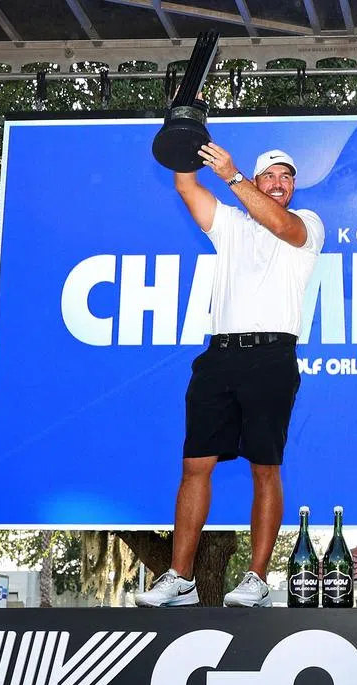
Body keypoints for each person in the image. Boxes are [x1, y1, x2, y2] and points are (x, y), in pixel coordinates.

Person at [135, 143, 324, 608]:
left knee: (265, 467)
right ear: (260, 182)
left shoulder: (309, 224)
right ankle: (180, 576)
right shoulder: (230, 223)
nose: (280, 183)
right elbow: (184, 183)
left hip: (272, 356)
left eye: (287, 177)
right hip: (219, 356)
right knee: (195, 464)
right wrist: (184, 131)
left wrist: (232, 176)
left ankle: (256, 578)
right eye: (271, 176)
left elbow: (282, 226)